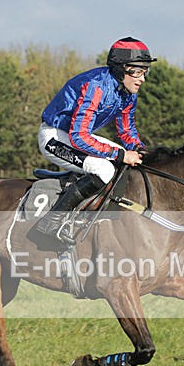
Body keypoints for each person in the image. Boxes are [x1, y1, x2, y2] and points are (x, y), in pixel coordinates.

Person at [34, 36, 156, 241]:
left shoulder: (128, 93)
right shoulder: (96, 87)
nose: (142, 79)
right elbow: (79, 137)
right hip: (54, 137)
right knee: (105, 169)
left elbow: (127, 131)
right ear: (121, 69)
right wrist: (120, 154)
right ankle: (51, 222)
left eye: (145, 72)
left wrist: (140, 150)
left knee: (124, 163)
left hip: (76, 136)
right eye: (137, 72)